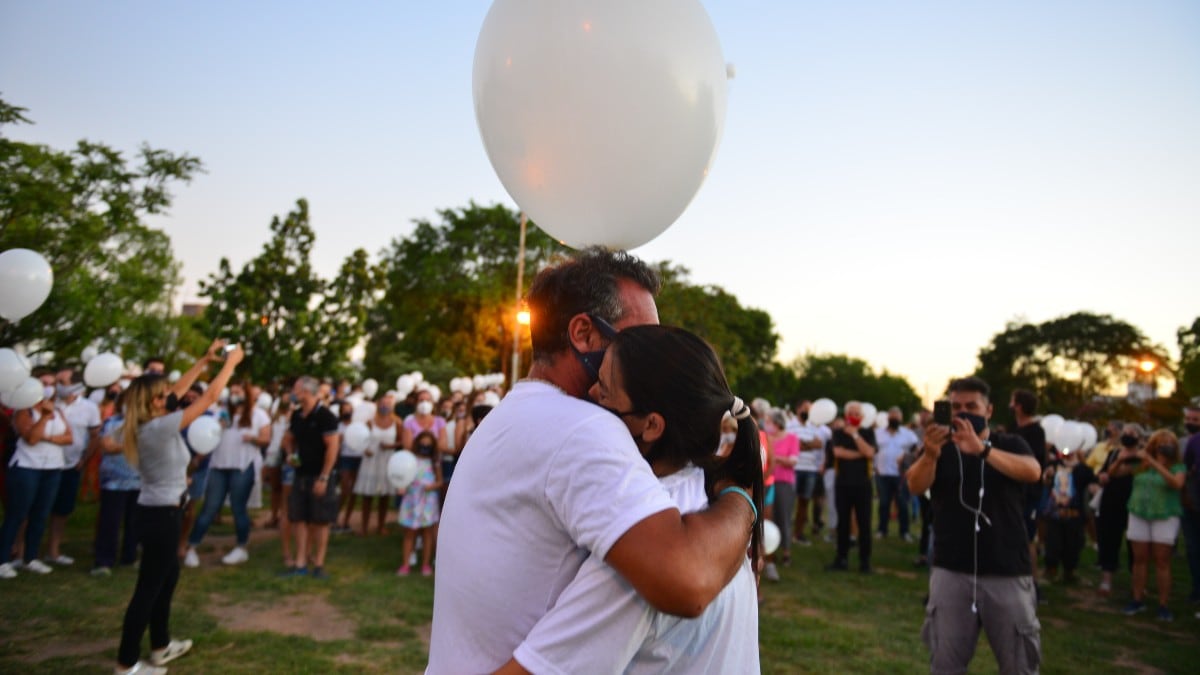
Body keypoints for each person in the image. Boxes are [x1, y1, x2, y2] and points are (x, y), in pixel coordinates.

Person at [428, 248, 756, 673]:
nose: (652, 351)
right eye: (638, 339)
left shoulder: (517, 411)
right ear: (583, 334)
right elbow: (686, 579)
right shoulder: (583, 428)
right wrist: (739, 497)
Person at [497, 324, 762, 674]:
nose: (589, 393)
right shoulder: (708, 492)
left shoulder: (649, 551)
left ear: (651, 426)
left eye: (604, 392)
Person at [115, 340, 242, 675]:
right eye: (163, 394)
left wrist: (203, 361)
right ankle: (126, 665)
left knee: (166, 580)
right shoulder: (157, 428)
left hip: (159, 512)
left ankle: (161, 646)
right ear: (153, 401)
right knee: (148, 589)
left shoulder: (146, 421)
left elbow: (178, 391)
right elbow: (209, 398)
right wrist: (231, 364)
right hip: (161, 516)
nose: (170, 395)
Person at [905, 376, 1041, 675]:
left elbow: (1032, 471)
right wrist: (930, 455)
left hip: (1006, 571)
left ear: (989, 410)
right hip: (952, 570)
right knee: (945, 664)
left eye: (971, 406)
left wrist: (982, 450)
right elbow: (915, 485)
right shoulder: (938, 449)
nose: (963, 413)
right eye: (956, 407)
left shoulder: (1010, 443)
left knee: (1018, 664)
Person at [183, 381, 270, 567]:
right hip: (219, 466)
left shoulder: (258, 415)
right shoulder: (220, 413)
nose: (234, 395)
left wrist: (253, 438)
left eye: (238, 391)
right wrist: (199, 458)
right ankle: (192, 547)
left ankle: (241, 547)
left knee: (238, 509)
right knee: (209, 508)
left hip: (243, 466)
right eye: (232, 391)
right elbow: (207, 436)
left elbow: (265, 439)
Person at [0, 374, 73, 578]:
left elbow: (69, 438)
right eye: (45, 384)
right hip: (26, 468)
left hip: (52, 468)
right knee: (17, 513)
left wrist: (48, 437)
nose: (49, 388)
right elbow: (31, 439)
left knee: (40, 515)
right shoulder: (24, 412)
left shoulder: (58, 411)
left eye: (52, 384)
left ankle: (31, 558)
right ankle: (3, 559)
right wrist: (43, 418)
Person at [1121, 429, 1186, 621]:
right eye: (1160, 442)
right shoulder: (1142, 464)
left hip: (1165, 515)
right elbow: (1118, 472)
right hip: (1139, 512)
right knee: (1139, 559)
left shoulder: (1178, 466)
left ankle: (1163, 604)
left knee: (1162, 560)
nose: (1164, 446)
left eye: (1169, 443)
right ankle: (1137, 598)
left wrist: (1156, 464)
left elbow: (1176, 484)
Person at [280, 376, 339, 579]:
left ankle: (319, 565)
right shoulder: (297, 415)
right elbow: (287, 439)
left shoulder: (326, 416)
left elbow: (333, 447)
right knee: (299, 519)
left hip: (319, 475)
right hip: (300, 474)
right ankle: (300, 563)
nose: (293, 392)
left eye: (296, 389)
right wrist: (289, 454)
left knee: (321, 520)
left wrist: (324, 477)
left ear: (306, 391)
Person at [45, 368, 102, 565]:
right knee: (34, 508)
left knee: (61, 510)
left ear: (76, 386)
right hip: (43, 465)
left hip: (70, 466)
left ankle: (53, 551)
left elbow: (95, 435)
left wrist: (84, 460)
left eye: (61, 381)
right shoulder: (48, 404)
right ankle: (23, 551)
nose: (56, 386)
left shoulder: (89, 407)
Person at [828, 401, 877, 573]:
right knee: (843, 522)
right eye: (851, 413)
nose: (854, 416)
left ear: (862, 417)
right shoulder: (838, 433)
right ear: (846, 415)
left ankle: (865, 561)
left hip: (863, 484)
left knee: (864, 523)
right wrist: (860, 453)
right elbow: (838, 452)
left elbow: (870, 453)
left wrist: (856, 436)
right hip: (843, 484)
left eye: (857, 414)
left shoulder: (868, 432)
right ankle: (841, 559)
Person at [1095, 423, 1143, 596]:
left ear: (1139, 438)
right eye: (1125, 432)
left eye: (1132, 433)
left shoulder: (1143, 457)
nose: (1127, 435)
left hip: (1134, 504)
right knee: (1109, 541)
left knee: (1135, 545)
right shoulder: (1114, 453)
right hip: (1111, 503)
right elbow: (1105, 473)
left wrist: (1119, 465)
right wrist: (1101, 476)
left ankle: (1137, 581)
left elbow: (1120, 473)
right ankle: (1106, 579)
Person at [1040, 443, 1096, 584]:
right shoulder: (1054, 464)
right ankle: (1050, 570)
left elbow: (1092, 485)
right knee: (1053, 542)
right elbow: (1045, 481)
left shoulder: (1084, 469)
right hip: (1055, 513)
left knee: (1073, 544)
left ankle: (1069, 572)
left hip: (1075, 514)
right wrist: (1047, 475)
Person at [1009, 389, 1046, 596]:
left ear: (1019, 406)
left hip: (1028, 494)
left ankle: (1033, 584)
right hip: (1012, 492)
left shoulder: (1035, 432)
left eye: (1013, 402)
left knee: (1027, 538)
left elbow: (1036, 464)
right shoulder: (1015, 429)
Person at [397, 430, 443, 576]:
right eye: (423, 443)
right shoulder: (410, 460)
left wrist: (432, 486)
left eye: (428, 445)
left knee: (428, 533)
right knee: (409, 533)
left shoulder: (434, 461)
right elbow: (402, 477)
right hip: (412, 498)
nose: (425, 447)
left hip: (428, 500)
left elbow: (440, 481)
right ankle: (405, 564)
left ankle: (425, 564)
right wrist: (402, 486)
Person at [353, 393, 400, 536]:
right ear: (378, 405)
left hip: (387, 461)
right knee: (367, 496)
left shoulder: (397, 422)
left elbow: (402, 441)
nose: (385, 406)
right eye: (382, 403)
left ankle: (381, 525)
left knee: (384, 496)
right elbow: (362, 439)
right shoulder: (370, 422)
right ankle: (364, 526)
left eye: (388, 403)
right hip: (371, 461)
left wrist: (391, 446)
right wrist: (365, 449)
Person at [875, 406, 919, 541]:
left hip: (901, 475)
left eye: (897, 416)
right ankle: (882, 530)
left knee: (903, 503)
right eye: (892, 416)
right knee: (883, 503)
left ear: (901, 418)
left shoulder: (908, 434)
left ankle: (904, 531)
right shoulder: (878, 433)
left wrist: (907, 459)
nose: (894, 418)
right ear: (888, 418)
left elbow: (916, 451)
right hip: (882, 473)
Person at [1180, 404, 1200, 606]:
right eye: (1190, 419)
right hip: (1191, 503)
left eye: (1196, 419)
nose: (1191, 423)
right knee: (1193, 548)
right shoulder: (1192, 442)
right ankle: (1197, 589)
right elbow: (1185, 470)